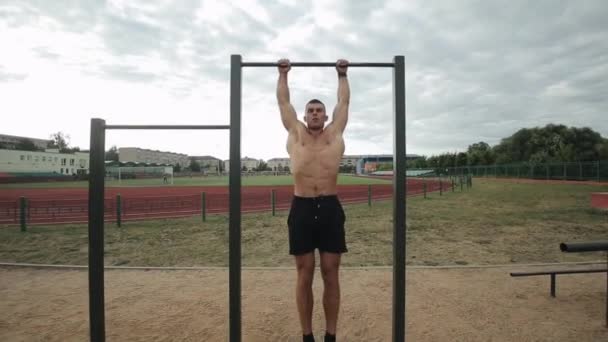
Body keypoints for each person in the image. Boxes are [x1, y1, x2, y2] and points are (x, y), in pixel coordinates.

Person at [276, 58, 350, 342]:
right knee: (304, 272)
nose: (316, 114)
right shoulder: (296, 134)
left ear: (326, 116)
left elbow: (343, 103)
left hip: (330, 207)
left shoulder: (335, 133)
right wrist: (283, 75)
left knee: (331, 273)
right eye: (311, 110)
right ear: (305, 116)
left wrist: (341, 75)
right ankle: (307, 336)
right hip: (303, 207)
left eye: (320, 110)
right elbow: (284, 103)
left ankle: (330, 335)